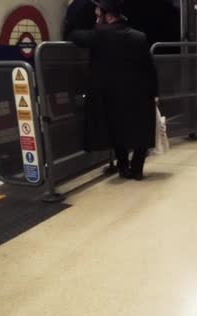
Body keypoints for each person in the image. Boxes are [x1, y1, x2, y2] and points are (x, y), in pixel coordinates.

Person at [67, 0, 159, 181]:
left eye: (98, 14)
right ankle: (137, 169)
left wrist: (74, 16)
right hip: (139, 94)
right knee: (141, 131)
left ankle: (123, 166)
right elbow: (150, 69)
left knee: (116, 130)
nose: (96, 17)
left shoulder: (99, 35)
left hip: (112, 96)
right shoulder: (139, 37)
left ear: (107, 15)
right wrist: (155, 93)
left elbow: (74, 35)